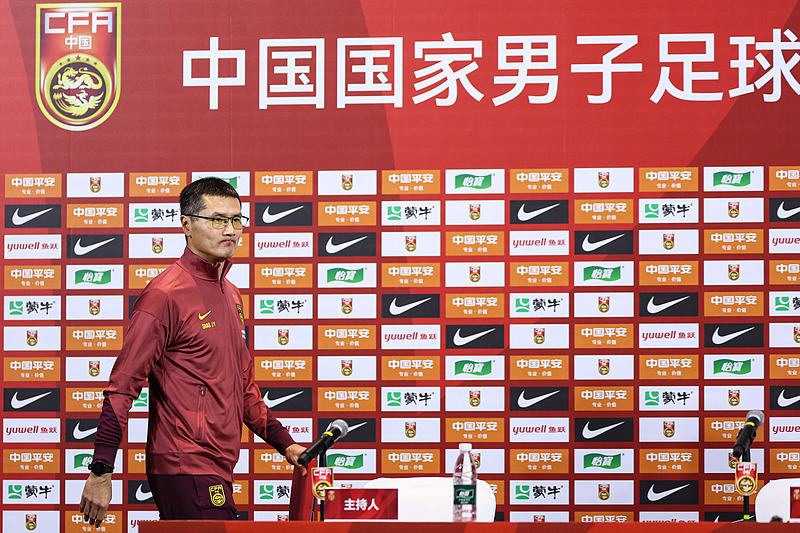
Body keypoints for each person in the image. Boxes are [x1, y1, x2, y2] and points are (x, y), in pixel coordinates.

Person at [79, 178, 306, 525]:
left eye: (236, 219)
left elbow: (243, 389)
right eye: (217, 220)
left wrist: (286, 444)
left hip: (218, 465)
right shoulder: (164, 294)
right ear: (186, 224)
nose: (230, 229)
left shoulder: (231, 293)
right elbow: (122, 387)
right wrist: (101, 470)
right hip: (184, 463)